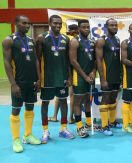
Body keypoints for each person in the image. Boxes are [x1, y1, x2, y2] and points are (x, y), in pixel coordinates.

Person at [2, 15, 41, 153]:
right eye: (24, 23)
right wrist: (13, 84)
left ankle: (28, 135)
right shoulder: (8, 40)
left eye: (28, 23)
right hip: (19, 82)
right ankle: (16, 139)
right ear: (16, 24)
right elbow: (6, 62)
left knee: (30, 108)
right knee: (16, 110)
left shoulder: (31, 40)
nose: (27, 25)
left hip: (32, 82)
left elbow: (36, 60)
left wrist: (39, 78)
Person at [36, 15, 74, 143]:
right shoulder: (42, 38)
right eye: (55, 23)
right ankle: (45, 130)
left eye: (59, 24)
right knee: (45, 103)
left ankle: (63, 128)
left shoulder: (66, 39)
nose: (58, 26)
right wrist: (38, 78)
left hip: (62, 78)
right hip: (47, 78)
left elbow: (69, 61)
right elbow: (37, 59)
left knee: (63, 102)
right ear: (49, 23)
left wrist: (69, 76)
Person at [69, 19, 99, 138]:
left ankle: (88, 123)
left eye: (88, 27)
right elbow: (73, 61)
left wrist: (93, 71)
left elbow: (96, 59)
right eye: (83, 27)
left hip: (89, 75)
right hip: (79, 76)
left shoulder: (92, 42)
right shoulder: (75, 42)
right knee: (78, 101)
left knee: (88, 99)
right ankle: (79, 126)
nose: (86, 29)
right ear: (79, 29)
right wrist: (85, 76)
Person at [96, 18, 122, 136]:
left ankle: (112, 122)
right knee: (105, 98)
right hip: (106, 75)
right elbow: (99, 60)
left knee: (113, 98)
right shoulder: (101, 40)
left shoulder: (117, 39)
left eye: (115, 25)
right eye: (111, 25)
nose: (114, 27)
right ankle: (104, 125)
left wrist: (120, 75)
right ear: (106, 27)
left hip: (116, 74)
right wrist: (102, 79)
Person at [49, 24, 79, 123]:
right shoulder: (72, 39)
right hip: (71, 70)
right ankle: (70, 117)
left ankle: (54, 116)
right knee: (71, 94)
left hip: (66, 69)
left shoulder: (68, 38)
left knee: (60, 94)